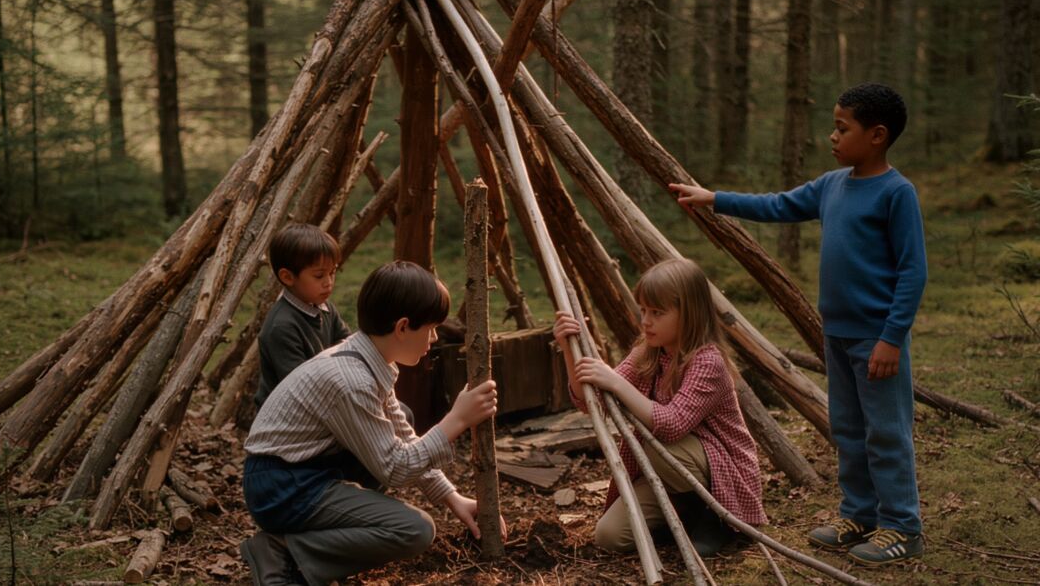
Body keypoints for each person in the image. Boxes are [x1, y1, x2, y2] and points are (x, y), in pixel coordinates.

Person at [670, 82, 927, 565]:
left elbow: (914, 271)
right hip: (839, 336)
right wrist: (714, 198)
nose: (831, 137)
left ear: (876, 135)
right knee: (848, 428)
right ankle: (859, 513)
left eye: (841, 128)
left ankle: (902, 526)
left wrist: (892, 338)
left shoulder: (896, 193)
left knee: (886, 432)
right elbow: (778, 205)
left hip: (878, 340)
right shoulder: (831, 186)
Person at [241, 261, 503, 585]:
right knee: (414, 530)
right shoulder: (351, 381)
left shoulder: (370, 359)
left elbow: (403, 437)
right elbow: (394, 468)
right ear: (403, 327)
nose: (434, 338)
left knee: (401, 416)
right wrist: (456, 421)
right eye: (431, 328)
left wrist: (451, 497)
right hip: (282, 487)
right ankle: (284, 551)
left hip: (303, 472)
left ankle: (319, 537)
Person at [554, 258, 766, 558]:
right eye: (643, 311)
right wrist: (568, 349)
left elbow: (671, 423)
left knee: (655, 444)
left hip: (721, 471)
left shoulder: (708, 362)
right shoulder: (648, 353)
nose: (646, 321)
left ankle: (718, 518)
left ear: (689, 314)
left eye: (657, 312)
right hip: (671, 467)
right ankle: (684, 512)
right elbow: (592, 401)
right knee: (609, 536)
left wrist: (616, 383)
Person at [254, 223, 350, 411]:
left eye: (332, 272)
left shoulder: (325, 308)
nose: (328, 283)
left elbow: (347, 344)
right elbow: (301, 387)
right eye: (319, 276)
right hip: (288, 417)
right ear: (288, 277)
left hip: (322, 399)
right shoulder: (282, 327)